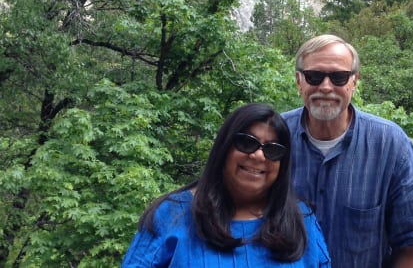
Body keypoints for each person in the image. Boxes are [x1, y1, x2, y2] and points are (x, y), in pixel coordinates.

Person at [284, 34, 413, 267]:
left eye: (339, 77)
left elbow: (410, 245)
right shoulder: (273, 139)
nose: (326, 86)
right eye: (314, 76)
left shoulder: (391, 144)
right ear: (299, 81)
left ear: (354, 82)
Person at [121, 103, 330, 267]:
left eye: (272, 150)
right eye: (247, 142)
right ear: (224, 147)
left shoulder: (302, 220)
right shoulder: (171, 216)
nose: (258, 155)